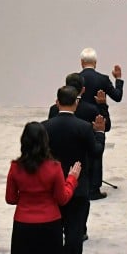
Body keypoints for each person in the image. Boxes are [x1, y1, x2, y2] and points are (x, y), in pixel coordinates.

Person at [6, 122, 81, 254]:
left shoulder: (15, 167)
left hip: (24, 225)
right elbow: (62, 198)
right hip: (49, 224)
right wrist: (72, 179)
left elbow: (10, 198)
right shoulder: (54, 167)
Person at [43, 86, 105, 254]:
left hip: (52, 186)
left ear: (57, 102)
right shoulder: (84, 127)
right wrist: (100, 133)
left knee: (54, 229)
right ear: (76, 103)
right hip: (77, 185)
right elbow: (95, 152)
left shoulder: (45, 127)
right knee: (75, 230)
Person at [48, 72, 110, 200]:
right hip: (82, 169)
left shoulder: (52, 111)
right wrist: (103, 107)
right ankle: (94, 189)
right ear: (83, 90)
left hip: (56, 168)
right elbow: (106, 127)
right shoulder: (91, 110)